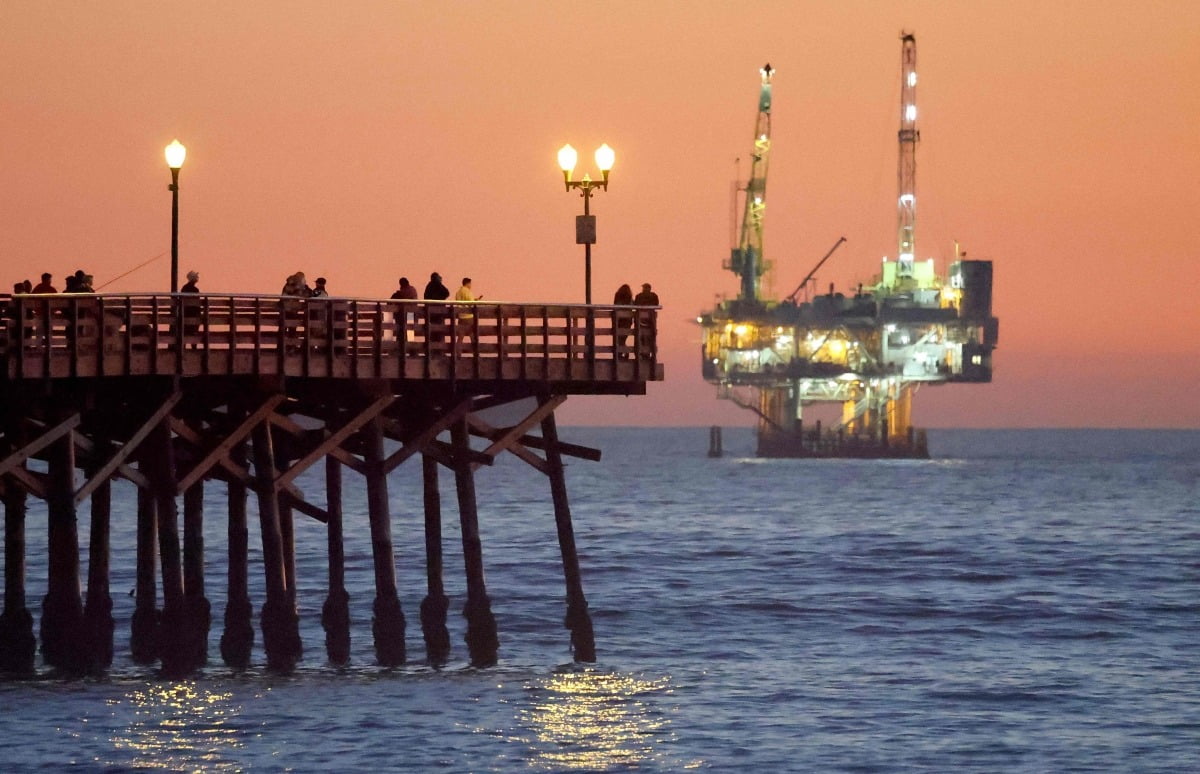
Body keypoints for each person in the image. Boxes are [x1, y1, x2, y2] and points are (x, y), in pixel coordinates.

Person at [454, 277, 480, 354]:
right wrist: (476, 301)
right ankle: (475, 353)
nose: (471, 285)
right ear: (467, 283)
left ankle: (458, 353)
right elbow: (471, 303)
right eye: (470, 283)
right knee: (472, 335)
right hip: (468, 317)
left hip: (461, 316)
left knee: (460, 337)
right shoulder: (468, 292)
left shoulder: (458, 292)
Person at [423, 272, 450, 346]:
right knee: (440, 330)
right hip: (439, 311)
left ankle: (432, 348)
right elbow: (447, 293)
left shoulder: (429, 286)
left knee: (432, 330)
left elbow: (425, 297)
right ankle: (440, 349)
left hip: (431, 312)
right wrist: (441, 299)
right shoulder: (438, 284)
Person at [390, 277, 419, 345]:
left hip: (406, 314)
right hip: (411, 313)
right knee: (410, 333)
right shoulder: (412, 290)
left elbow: (398, 297)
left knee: (402, 332)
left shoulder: (403, 292)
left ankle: (402, 346)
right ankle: (410, 347)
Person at [613, 283, 633, 359]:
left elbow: (615, 305)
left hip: (619, 319)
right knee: (623, 338)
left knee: (619, 338)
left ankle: (621, 353)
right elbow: (631, 306)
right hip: (627, 320)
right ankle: (624, 352)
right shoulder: (629, 296)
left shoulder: (617, 295)